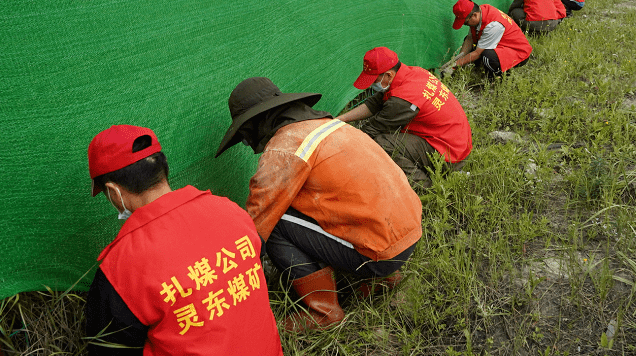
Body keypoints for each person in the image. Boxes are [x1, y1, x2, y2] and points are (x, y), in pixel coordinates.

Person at [215, 77, 422, 333]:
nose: (247, 143)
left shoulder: (286, 147)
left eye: (245, 133)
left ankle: (323, 311)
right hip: (408, 234)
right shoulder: (329, 127)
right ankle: (382, 280)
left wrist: (226, 278)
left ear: (259, 121)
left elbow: (257, 222)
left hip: (381, 252)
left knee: (276, 222)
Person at [85, 125, 282, 356]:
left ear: (114, 191)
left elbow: (107, 347)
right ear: (163, 169)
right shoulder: (229, 210)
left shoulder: (121, 265)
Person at [337, 47, 472, 187]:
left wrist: (341, 148)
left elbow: (371, 130)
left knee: (382, 143)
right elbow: (375, 103)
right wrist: (339, 120)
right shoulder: (413, 73)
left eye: (373, 80)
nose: (371, 84)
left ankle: (424, 186)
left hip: (449, 154)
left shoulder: (403, 100)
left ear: (388, 75)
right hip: (456, 141)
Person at [447, 0, 532, 78]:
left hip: (518, 52)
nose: (466, 25)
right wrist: (459, 58)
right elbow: (470, 38)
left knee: (487, 55)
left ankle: (496, 79)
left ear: (474, 15)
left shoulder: (493, 25)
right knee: (474, 43)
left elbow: (477, 53)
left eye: (466, 22)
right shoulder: (480, 13)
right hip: (501, 45)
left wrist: (454, 66)